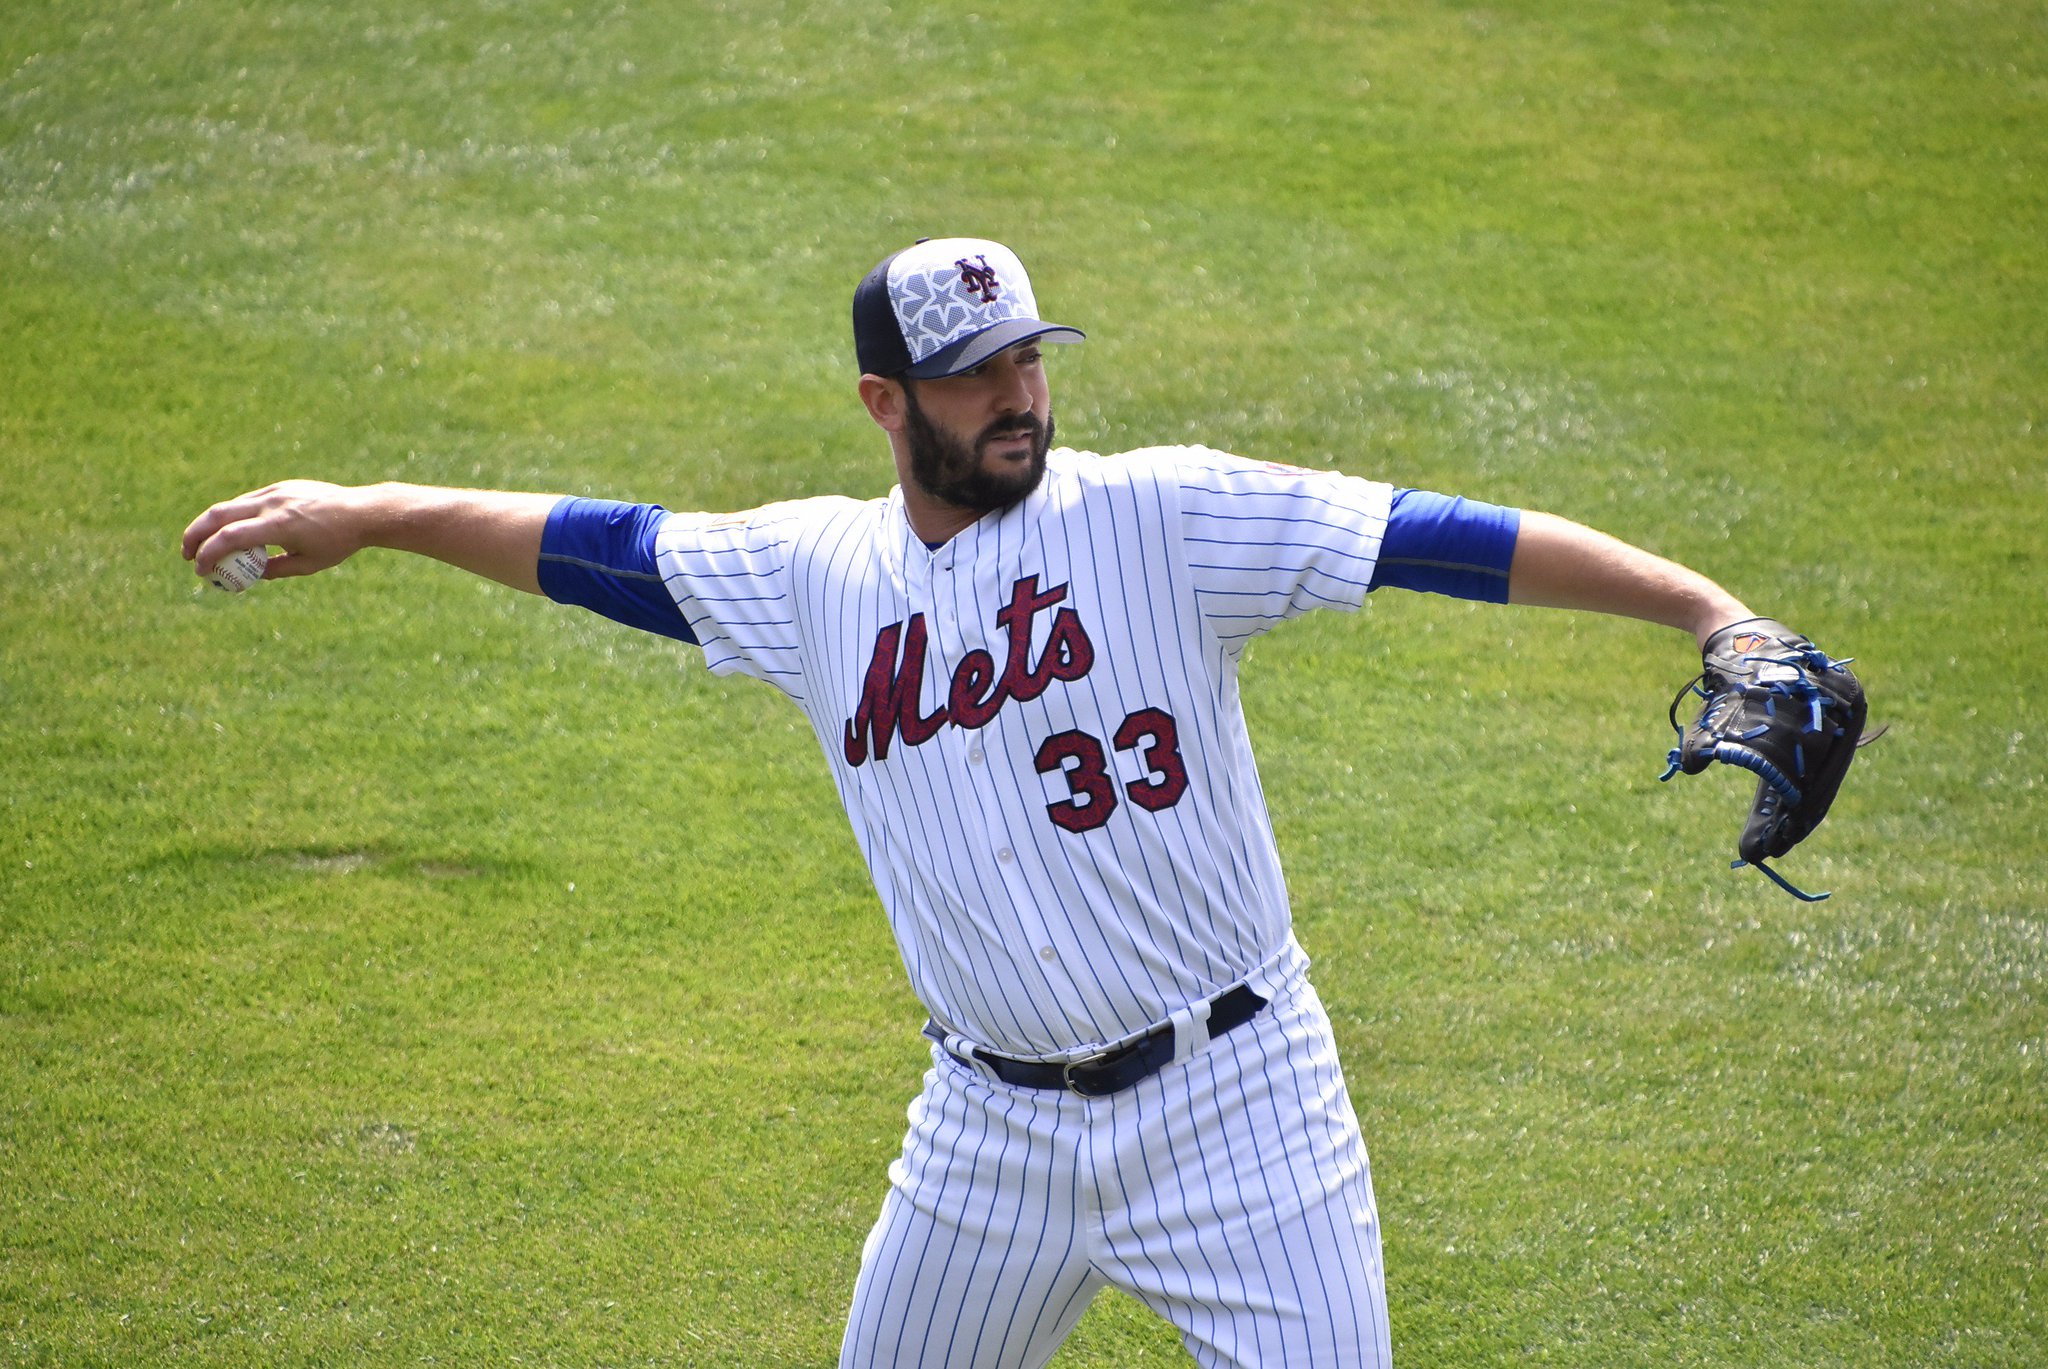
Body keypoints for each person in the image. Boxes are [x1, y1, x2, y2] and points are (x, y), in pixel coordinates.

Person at [185, 237, 1758, 1368]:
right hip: (986, 1130)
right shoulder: (815, 575)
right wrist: (374, 515)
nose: (1017, 393)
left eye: (1028, 357)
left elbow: (1440, 538)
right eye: (973, 374)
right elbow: (601, 546)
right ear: (886, 402)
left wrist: (1708, 613)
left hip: (1239, 1105)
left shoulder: (1163, 512)